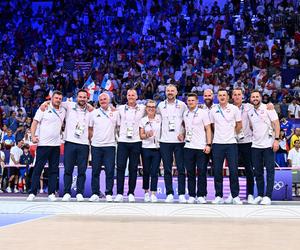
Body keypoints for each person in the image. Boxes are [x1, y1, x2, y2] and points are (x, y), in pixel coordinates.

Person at [26, 91, 66, 201]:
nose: (58, 100)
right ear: (52, 98)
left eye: (60, 98)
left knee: (53, 170)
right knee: (38, 169)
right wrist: (33, 136)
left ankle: (51, 193)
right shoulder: (44, 108)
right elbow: (34, 122)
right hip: (43, 144)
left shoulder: (63, 110)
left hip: (56, 145)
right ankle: (32, 192)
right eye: (56, 98)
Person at [210, 89, 243, 204]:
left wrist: (233, 134)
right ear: (217, 97)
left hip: (231, 144)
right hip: (217, 144)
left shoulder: (234, 109)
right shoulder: (213, 110)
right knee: (217, 171)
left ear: (228, 97)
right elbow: (212, 126)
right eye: (220, 95)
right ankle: (218, 196)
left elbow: (239, 124)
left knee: (233, 171)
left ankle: (235, 195)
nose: (222, 97)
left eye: (224, 95)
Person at [248, 90, 280, 205]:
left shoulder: (268, 108)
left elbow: (276, 124)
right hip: (255, 145)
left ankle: (268, 196)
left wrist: (276, 140)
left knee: (270, 171)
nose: (255, 98)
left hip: (268, 145)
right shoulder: (250, 111)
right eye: (253, 97)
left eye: (257, 96)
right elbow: (252, 126)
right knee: (258, 172)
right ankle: (260, 195)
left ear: (260, 97)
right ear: (250, 99)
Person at [157, 84, 187, 203]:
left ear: (176, 92)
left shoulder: (182, 105)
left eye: (172, 91)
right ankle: (169, 193)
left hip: (179, 141)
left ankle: (181, 194)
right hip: (165, 141)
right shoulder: (160, 105)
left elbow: (187, 121)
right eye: (168, 91)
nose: (170, 92)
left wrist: (183, 133)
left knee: (180, 168)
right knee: (167, 169)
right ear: (165, 92)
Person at [60, 89, 92, 202]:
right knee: (68, 169)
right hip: (70, 142)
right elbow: (56, 102)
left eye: (84, 97)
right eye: (80, 97)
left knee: (82, 170)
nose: (82, 99)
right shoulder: (69, 106)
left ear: (87, 99)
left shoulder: (91, 111)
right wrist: (45, 103)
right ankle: (67, 192)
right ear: (76, 97)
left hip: (84, 144)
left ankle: (79, 192)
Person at [114, 89, 145, 202]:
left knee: (133, 168)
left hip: (136, 141)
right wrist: (119, 136)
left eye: (133, 95)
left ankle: (131, 192)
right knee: (121, 168)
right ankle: (119, 193)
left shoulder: (142, 108)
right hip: (122, 141)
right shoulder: (120, 109)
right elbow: (117, 125)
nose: (131, 97)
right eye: (129, 95)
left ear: (137, 97)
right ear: (126, 96)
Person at [88, 92, 119, 202]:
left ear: (109, 100)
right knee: (95, 171)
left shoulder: (115, 113)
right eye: (101, 99)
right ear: (99, 101)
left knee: (110, 170)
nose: (103, 101)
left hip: (110, 146)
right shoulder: (94, 113)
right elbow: (90, 128)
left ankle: (109, 193)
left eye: (105, 99)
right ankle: (95, 193)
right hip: (96, 146)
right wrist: (92, 140)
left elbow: (119, 127)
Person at [183, 93, 212, 204]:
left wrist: (208, 144)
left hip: (201, 147)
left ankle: (201, 194)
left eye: (192, 100)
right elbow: (186, 128)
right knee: (190, 172)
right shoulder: (185, 113)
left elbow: (208, 129)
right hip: (188, 147)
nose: (190, 102)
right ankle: (191, 195)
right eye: (189, 100)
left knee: (202, 171)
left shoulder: (203, 113)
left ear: (197, 102)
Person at [232, 88, 255, 204]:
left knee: (249, 169)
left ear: (243, 96)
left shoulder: (249, 107)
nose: (237, 96)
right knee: (233, 170)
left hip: (247, 142)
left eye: (239, 94)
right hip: (233, 143)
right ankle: (234, 195)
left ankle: (250, 194)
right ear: (232, 97)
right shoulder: (229, 108)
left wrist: (270, 105)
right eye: (235, 95)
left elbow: (261, 106)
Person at [139, 100, 161, 203]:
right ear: (146, 108)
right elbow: (141, 135)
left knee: (155, 171)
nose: (151, 108)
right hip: (146, 148)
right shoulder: (143, 120)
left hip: (157, 148)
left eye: (153, 107)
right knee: (146, 171)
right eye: (149, 107)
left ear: (155, 108)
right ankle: (146, 192)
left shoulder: (159, 119)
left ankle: (153, 193)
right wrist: (147, 135)